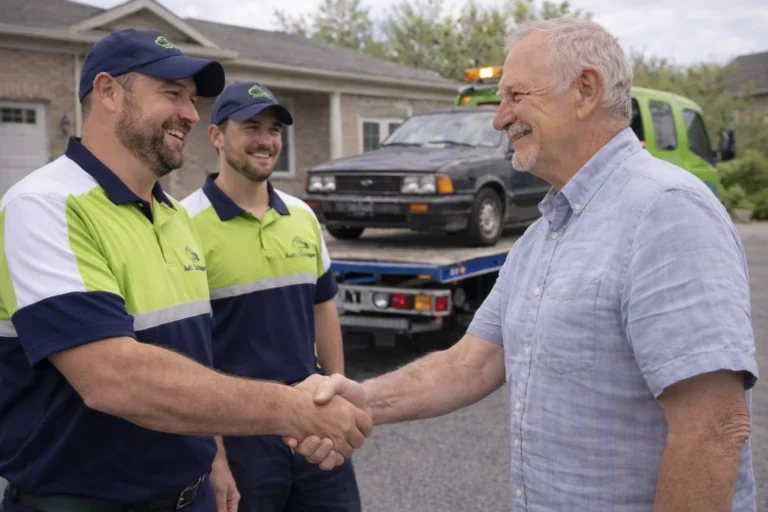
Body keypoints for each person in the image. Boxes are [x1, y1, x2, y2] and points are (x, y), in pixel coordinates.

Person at [288, 18, 760, 512]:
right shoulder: (543, 234)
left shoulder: (665, 211)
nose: (498, 119)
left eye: (515, 95)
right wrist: (358, 400)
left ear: (585, 90)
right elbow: (472, 363)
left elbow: (712, 430)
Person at [0, 29, 371, 512]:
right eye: (172, 94)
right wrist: (293, 409)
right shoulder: (45, 206)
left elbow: (193, 354)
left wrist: (212, 458)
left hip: (188, 495)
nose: (191, 115)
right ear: (109, 92)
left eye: (193, 100)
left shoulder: (173, 216)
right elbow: (114, 378)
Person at [180, 81, 361, 512]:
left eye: (275, 129)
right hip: (239, 435)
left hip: (312, 420)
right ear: (217, 136)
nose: (266, 141)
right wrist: (215, 453)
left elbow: (323, 309)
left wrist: (338, 395)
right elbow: (187, 351)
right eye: (251, 127)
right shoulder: (182, 224)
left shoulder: (301, 216)